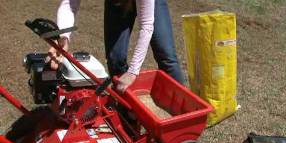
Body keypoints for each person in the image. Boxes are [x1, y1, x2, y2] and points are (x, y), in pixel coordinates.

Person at [48, 0, 184, 93]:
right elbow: (69, 4)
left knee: (166, 54)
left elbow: (147, 25)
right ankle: (128, 118)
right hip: (117, 4)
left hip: (152, 3)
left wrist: (133, 72)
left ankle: (185, 115)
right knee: (115, 59)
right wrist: (63, 36)